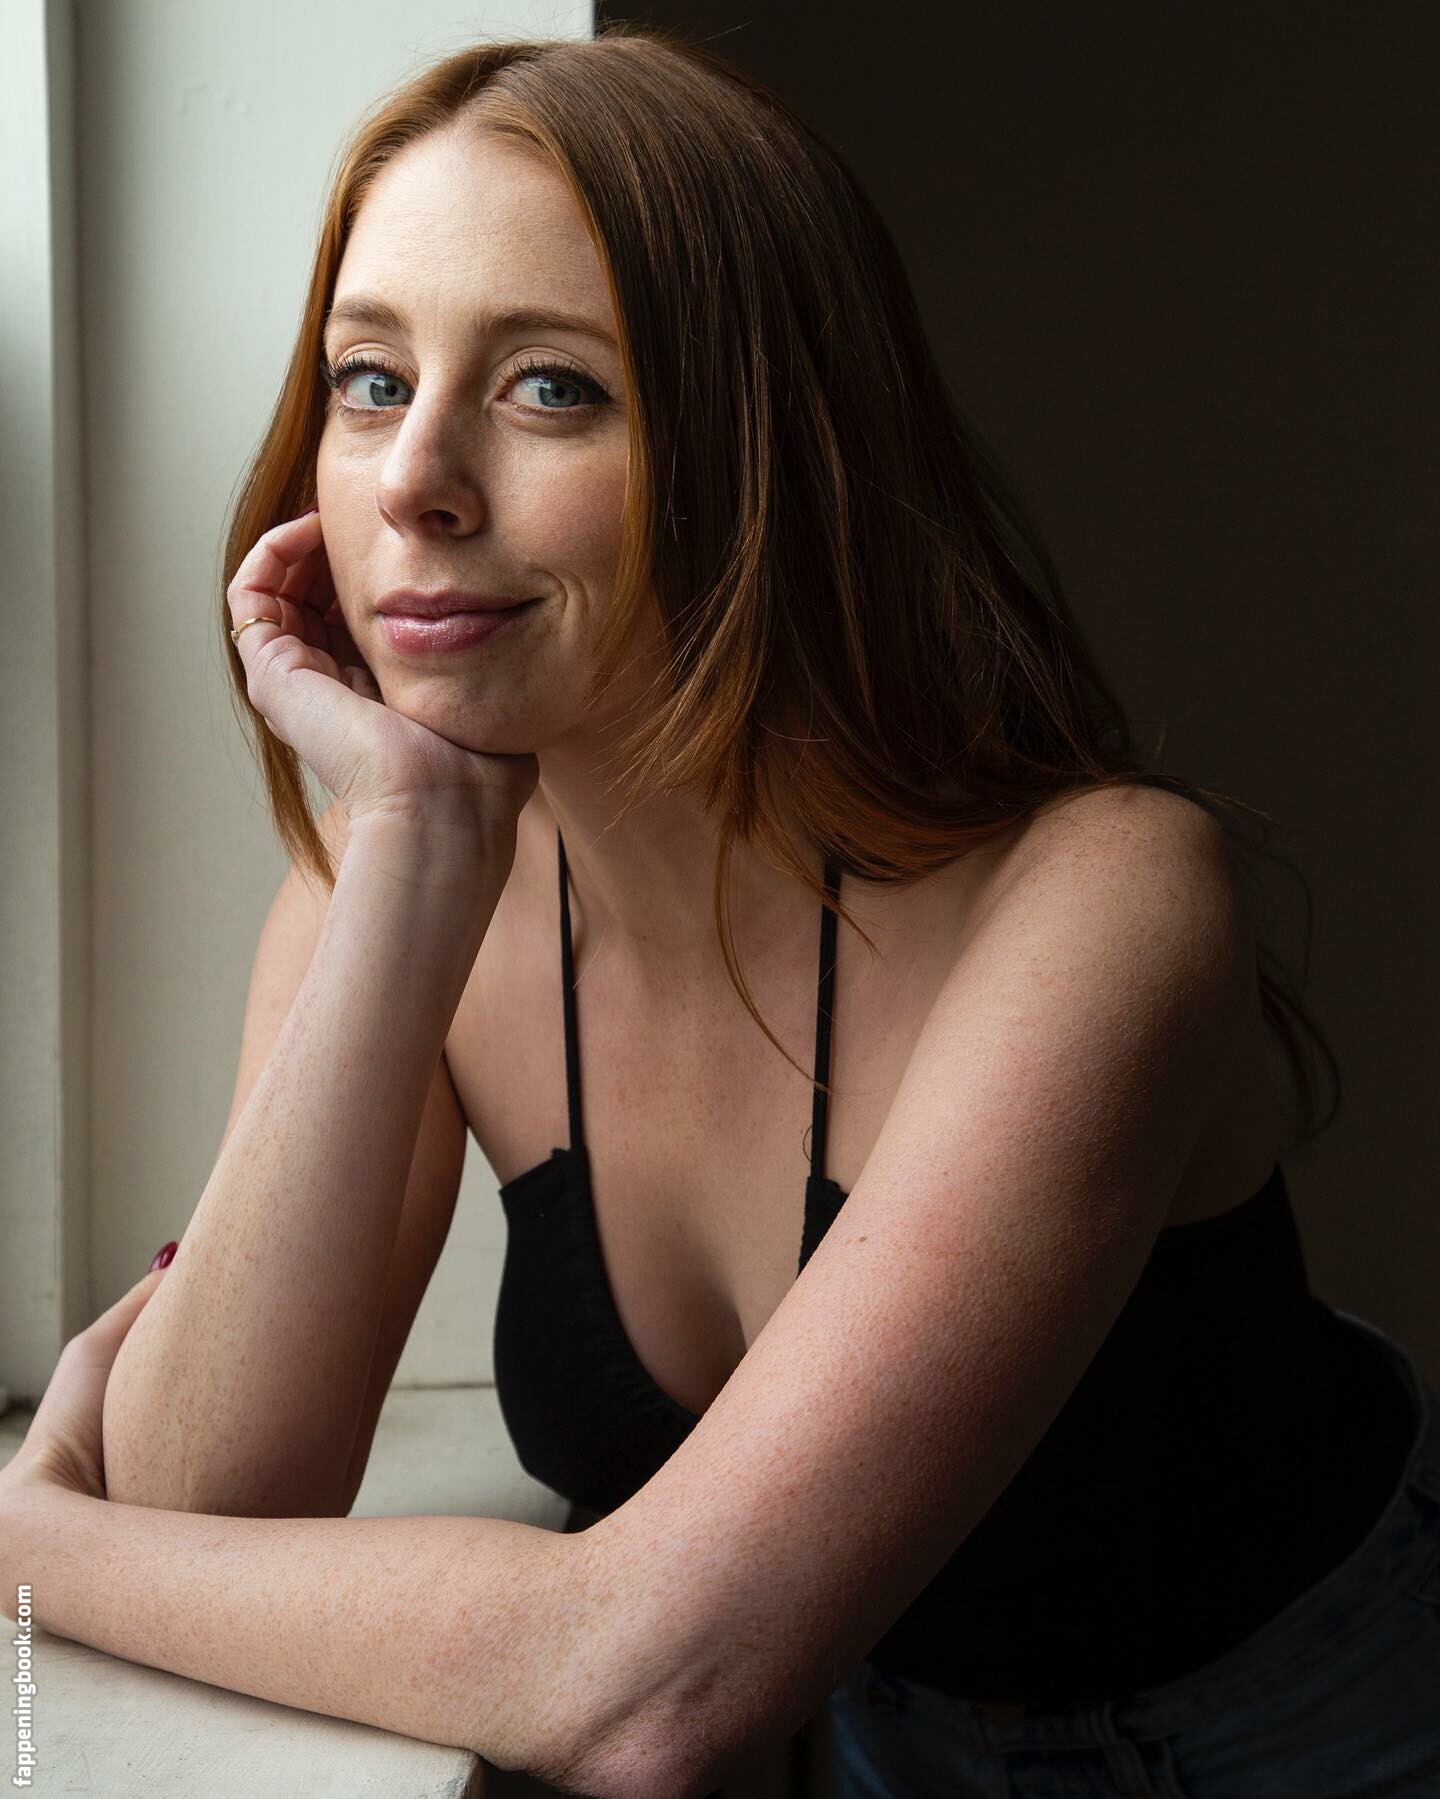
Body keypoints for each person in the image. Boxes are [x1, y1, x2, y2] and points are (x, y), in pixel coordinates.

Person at [3, 24, 1437, 1799]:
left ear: (765, 450)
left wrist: (23, 1544)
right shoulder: (395, 888)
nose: (411, 480)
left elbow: (655, 1687)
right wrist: (414, 851)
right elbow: (205, 1505)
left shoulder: (1107, 901)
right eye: (367, 380)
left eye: (551, 388)